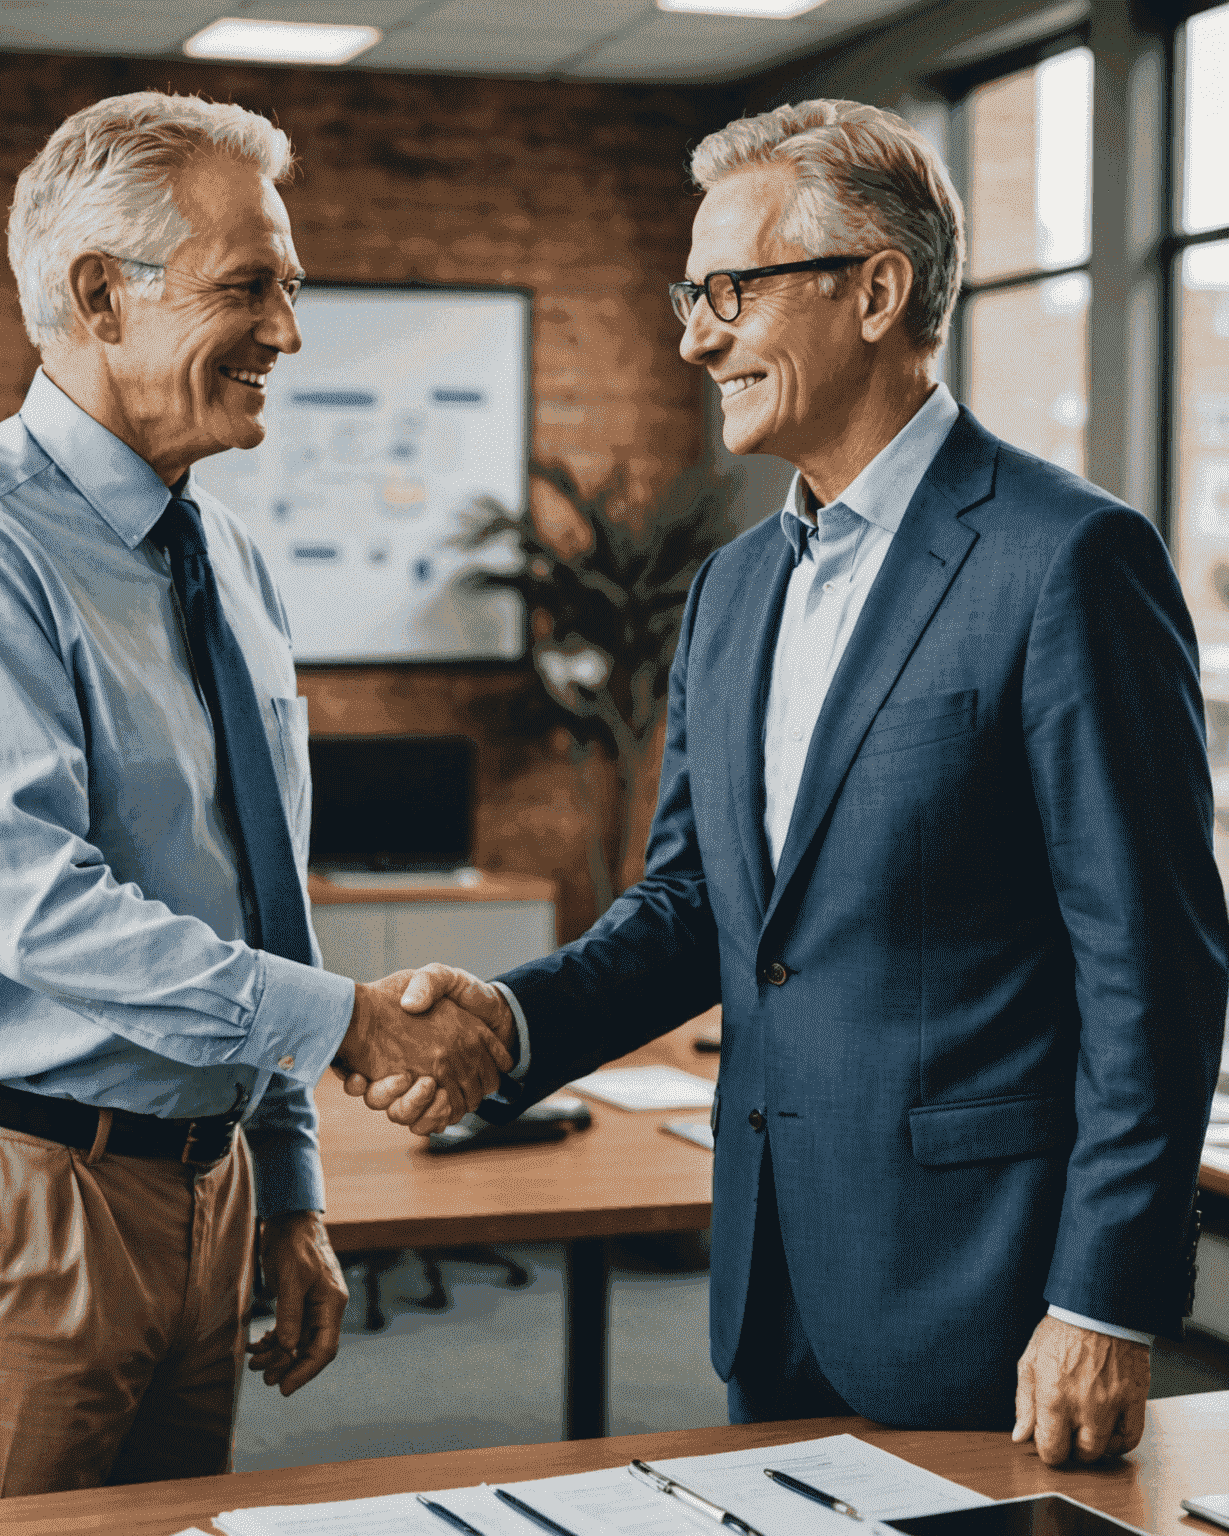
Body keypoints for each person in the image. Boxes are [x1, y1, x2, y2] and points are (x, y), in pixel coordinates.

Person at [364, 100, 1227, 1462]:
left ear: (876, 290)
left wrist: (1107, 1298)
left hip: (994, 1300)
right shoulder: (733, 591)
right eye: (688, 295)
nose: (695, 335)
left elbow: (1155, 972)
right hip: (774, 1283)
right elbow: (701, 903)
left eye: (728, 291)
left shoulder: (1068, 562)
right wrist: (510, 1024)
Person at [0, 91, 512, 1516]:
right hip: (6, 1195)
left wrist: (288, 1178)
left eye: (292, 289)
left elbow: (257, 882)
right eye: (250, 287)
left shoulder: (229, 561)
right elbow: (39, 906)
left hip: (200, 1192)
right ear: (97, 297)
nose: (290, 333)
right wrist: (353, 1026)